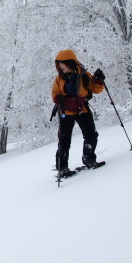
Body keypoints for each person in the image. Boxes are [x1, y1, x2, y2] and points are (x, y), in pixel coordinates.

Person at [51, 49, 106, 178]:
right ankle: (62, 168)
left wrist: (99, 80)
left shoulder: (84, 75)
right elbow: (55, 92)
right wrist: (57, 97)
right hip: (65, 111)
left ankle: (89, 158)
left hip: (82, 109)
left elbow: (95, 89)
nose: (60, 66)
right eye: (58, 64)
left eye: (62, 64)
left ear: (70, 62)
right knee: (64, 140)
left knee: (91, 135)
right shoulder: (59, 78)